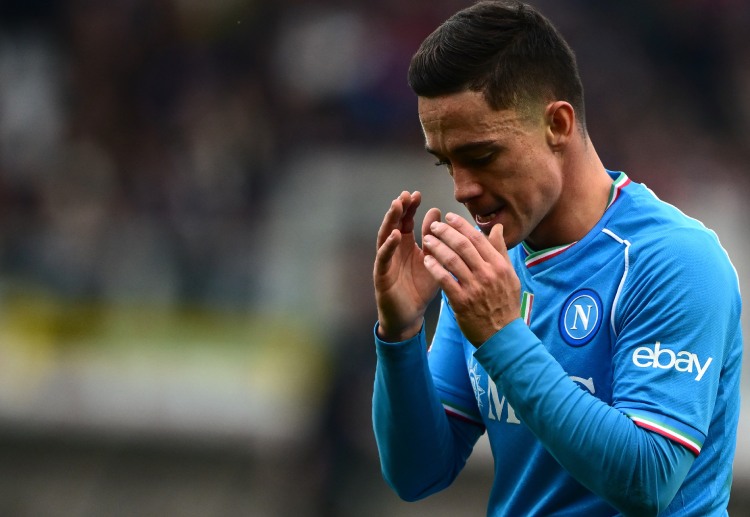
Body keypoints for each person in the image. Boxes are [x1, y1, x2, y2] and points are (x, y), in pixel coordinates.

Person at [371, 1, 743, 516]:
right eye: (447, 163)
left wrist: (503, 335)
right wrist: (400, 335)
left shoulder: (675, 261)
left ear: (558, 124)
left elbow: (649, 479)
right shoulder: (488, 267)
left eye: (481, 156)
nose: (462, 189)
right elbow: (418, 473)